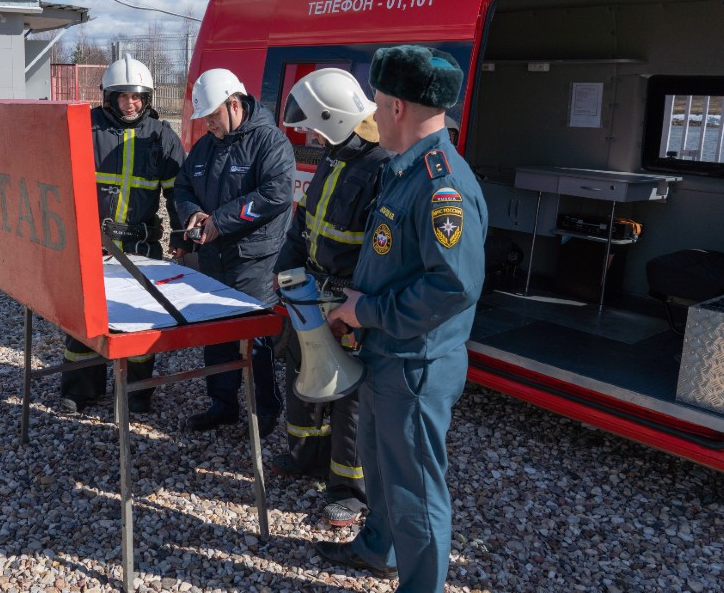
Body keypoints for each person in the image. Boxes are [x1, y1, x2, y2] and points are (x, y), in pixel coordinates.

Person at [318, 45, 487, 592]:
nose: (369, 115)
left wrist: (365, 309)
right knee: (383, 467)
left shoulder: (443, 185)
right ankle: (378, 549)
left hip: (414, 362)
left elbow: (454, 285)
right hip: (386, 352)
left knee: (416, 487)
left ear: (395, 107)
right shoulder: (405, 168)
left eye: (376, 103)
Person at [270, 68, 390, 527]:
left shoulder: (381, 167)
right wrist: (285, 269)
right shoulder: (336, 157)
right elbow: (305, 223)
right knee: (304, 377)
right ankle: (305, 458)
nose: (312, 137)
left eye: (318, 128)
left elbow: (381, 250)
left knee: (351, 398)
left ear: (336, 120)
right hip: (310, 292)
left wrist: (354, 305)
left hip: (346, 302)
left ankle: (349, 490)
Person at [171, 68, 295, 438]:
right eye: (205, 117)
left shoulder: (269, 142)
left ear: (234, 104)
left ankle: (265, 412)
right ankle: (222, 405)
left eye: (212, 116)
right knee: (215, 332)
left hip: (253, 260)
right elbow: (182, 184)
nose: (208, 124)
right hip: (213, 258)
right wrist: (191, 212)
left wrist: (221, 222)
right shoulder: (207, 146)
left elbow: (277, 194)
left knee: (255, 339)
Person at [60, 54, 185, 414]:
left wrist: (179, 235)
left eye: (138, 98)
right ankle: (81, 390)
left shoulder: (162, 136)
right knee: (84, 320)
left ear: (148, 98)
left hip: (141, 244)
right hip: (91, 243)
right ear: (108, 97)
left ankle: (137, 393)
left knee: (141, 321)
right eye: (122, 97)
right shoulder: (85, 127)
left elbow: (179, 191)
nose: (130, 105)